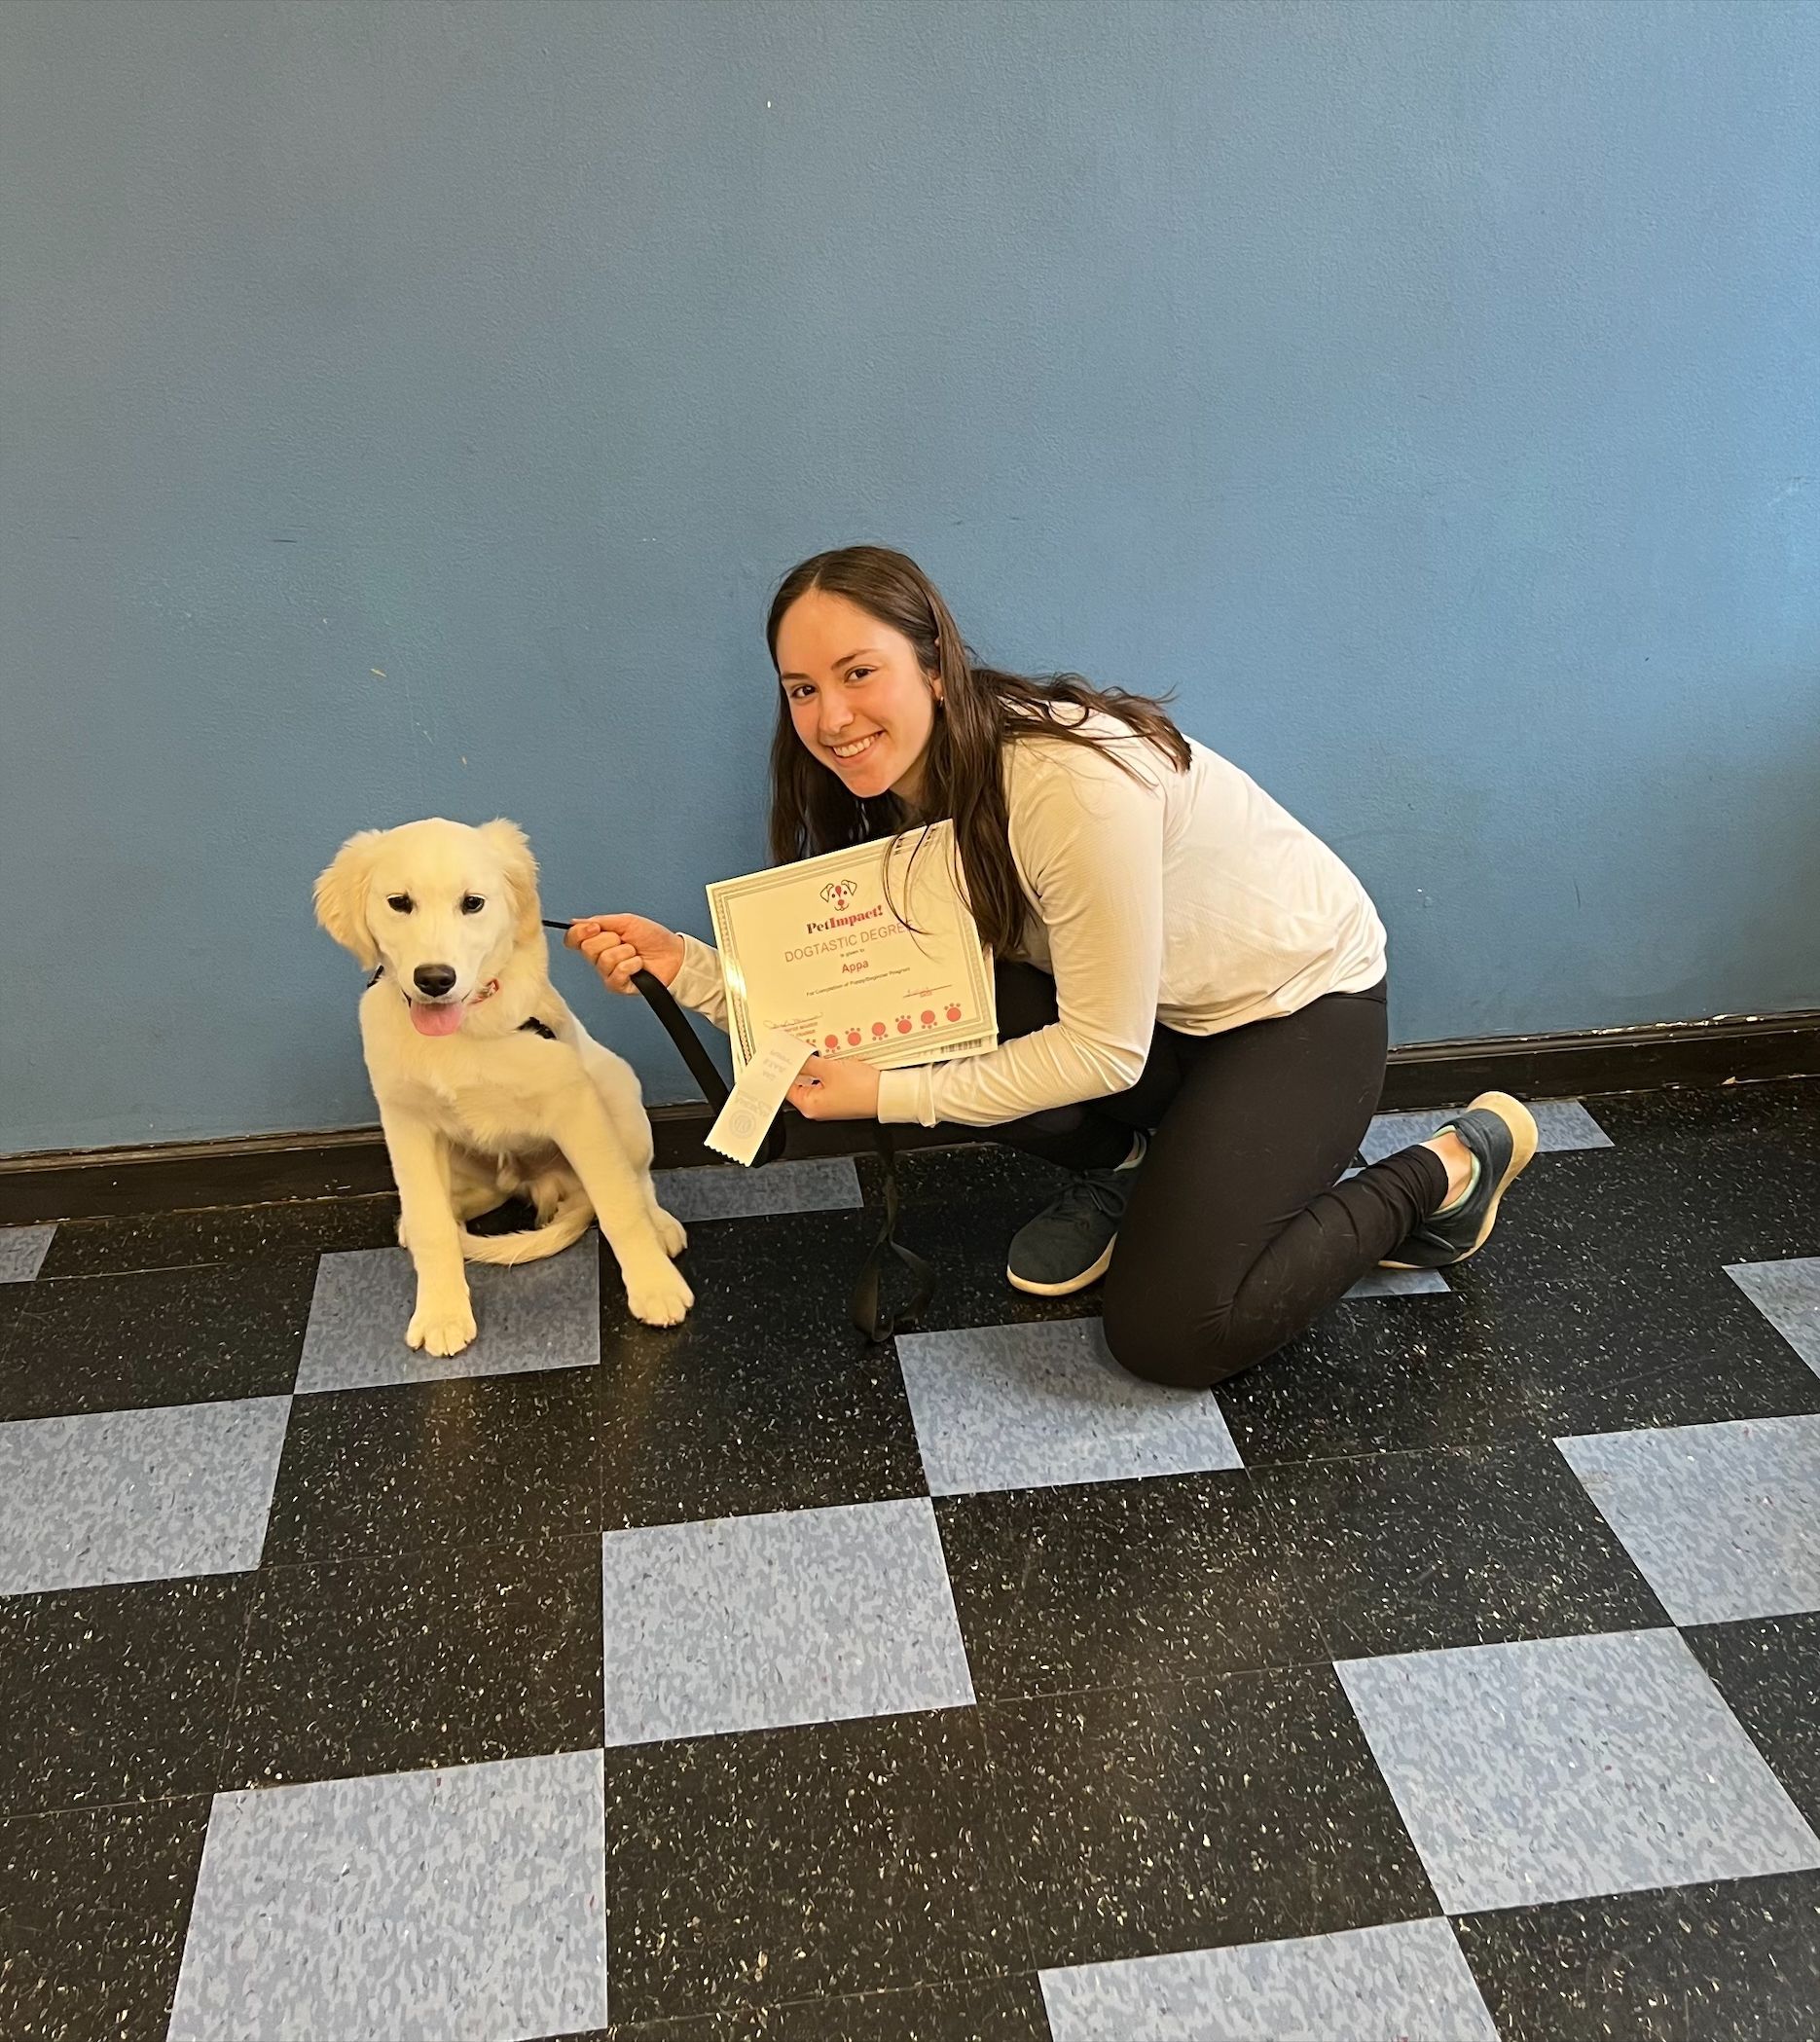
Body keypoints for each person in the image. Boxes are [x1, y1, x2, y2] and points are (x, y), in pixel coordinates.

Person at [568, 545, 1537, 1391]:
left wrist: (891, 1093)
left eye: (859, 672)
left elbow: (1104, 1053)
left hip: (1296, 1012)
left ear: (935, 665)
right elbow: (846, 993)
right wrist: (684, 969)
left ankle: (1449, 1167)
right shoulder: (894, 786)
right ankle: (1135, 1169)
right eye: (802, 689)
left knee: (1170, 1335)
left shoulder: (1061, 780)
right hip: (1159, 1021)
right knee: (951, 1003)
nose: (831, 717)